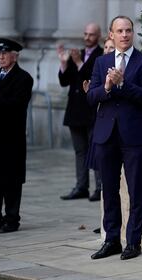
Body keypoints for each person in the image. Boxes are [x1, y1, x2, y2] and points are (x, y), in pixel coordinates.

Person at [87, 16, 142, 260]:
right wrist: (107, 86)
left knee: (136, 191)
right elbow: (91, 97)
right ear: (111, 34)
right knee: (109, 190)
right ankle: (112, 240)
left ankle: (133, 242)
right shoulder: (100, 61)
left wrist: (123, 83)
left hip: (134, 135)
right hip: (106, 135)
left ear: (132, 33)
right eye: (120, 31)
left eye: (128, 30)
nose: (125, 35)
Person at [0, 38, 34, 233]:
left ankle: (12, 219)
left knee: (11, 179)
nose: (1, 56)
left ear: (15, 55)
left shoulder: (24, 78)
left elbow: (15, 104)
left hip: (11, 136)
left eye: (5, 53)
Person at [57, 23, 103, 202]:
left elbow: (91, 77)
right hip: (75, 110)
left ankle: (100, 187)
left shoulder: (101, 55)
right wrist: (63, 63)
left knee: (96, 150)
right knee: (79, 151)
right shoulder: (79, 53)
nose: (87, 37)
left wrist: (77, 63)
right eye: (85, 34)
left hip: (91, 111)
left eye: (91, 34)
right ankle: (81, 186)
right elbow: (64, 81)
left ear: (98, 36)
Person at [82, 37, 115, 235]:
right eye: (107, 48)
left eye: (112, 47)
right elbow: (91, 98)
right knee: (103, 181)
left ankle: (109, 222)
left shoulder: (120, 67)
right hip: (101, 129)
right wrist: (94, 91)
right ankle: (105, 221)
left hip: (116, 131)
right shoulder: (100, 67)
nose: (109, 50)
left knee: (110, 182)